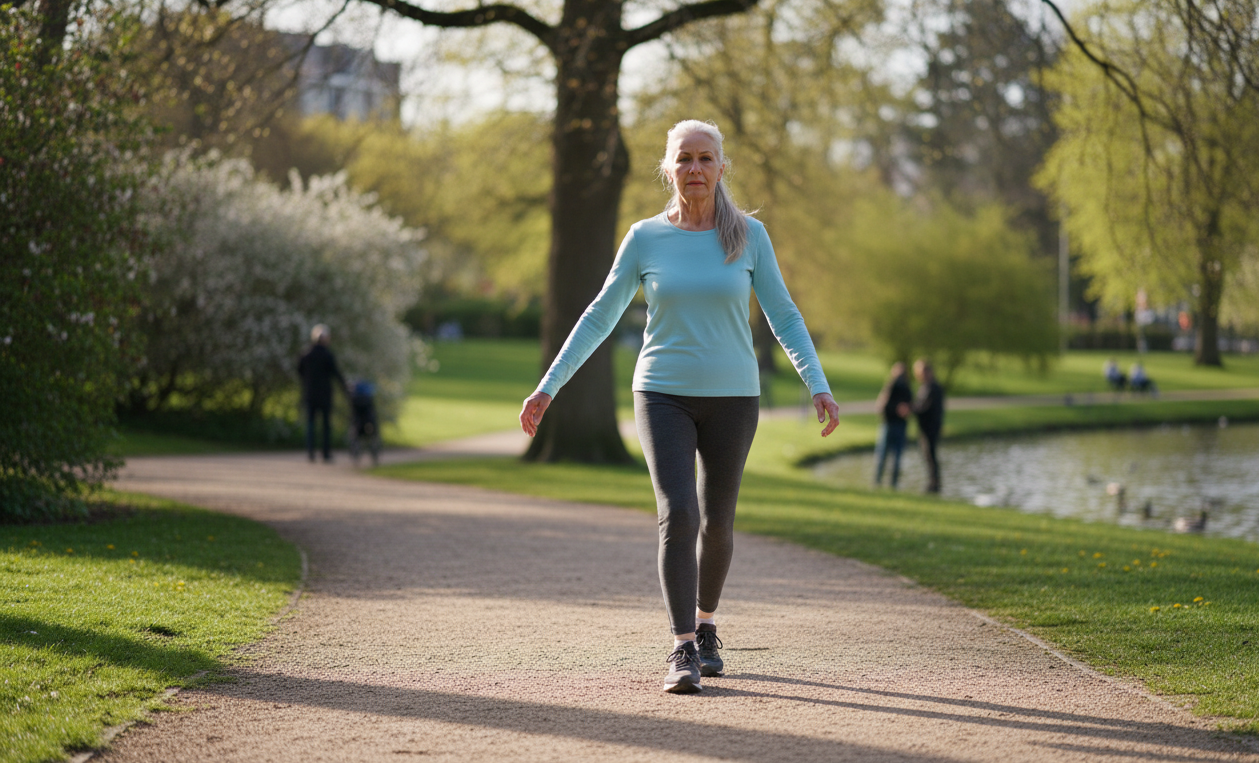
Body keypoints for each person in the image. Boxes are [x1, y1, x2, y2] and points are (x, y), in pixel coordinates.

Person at [518, 120, 840, 695]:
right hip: (662, 391)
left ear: (721, 168)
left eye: (706, 158)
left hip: (734, 397)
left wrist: (816, 383)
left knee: (717, 521)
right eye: (685, 159)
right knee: (679, 513)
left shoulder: (749, 237)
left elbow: (784, 315)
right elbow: (600, 314)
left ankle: (707, 623)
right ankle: (683, 646)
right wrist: (549, 386)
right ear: (669, 169)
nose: (695, 169)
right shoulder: (644, 237)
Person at [298, 324, 348, 463]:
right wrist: (345, 387)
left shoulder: (306, 354)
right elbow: (336, 373)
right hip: (325, 395)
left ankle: (310, 452)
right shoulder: (327, 355)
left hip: (310, 394)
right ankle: (325, 454)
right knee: (325, 426)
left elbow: (300, 371)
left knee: (311, 424)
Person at [873, 362, 913, 488]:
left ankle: (884, 483)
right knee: (890, 457)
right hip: (893, 424)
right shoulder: (900, 387)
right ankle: (885, 484)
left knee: (888, 457)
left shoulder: (897, 387)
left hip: (894, 425)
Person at [911, 358, 945, 494]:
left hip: (931, 428)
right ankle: (932, 483)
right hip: (926, 427)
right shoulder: (927, 387)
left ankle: (934, 485)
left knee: (931, 455)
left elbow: (924, 408)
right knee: (928, 456)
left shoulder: (933, 388)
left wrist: (910, 409)